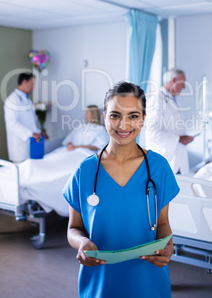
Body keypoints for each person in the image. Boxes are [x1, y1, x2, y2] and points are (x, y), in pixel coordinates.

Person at [63, 81, 179, 298]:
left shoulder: (158, 167)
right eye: (115, 115)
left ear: (143, 119)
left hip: (149, 282)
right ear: (105, 116)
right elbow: (73, 229)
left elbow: (162, 224)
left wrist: (169, 247)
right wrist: (82, 243)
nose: (124, 125)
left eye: (133, 116)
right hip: (100, 283)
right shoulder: (85, 170)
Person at [145, 68, 194, 174]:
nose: (184, 86)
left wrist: (182, 138)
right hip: (164, 158)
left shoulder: (173, 100)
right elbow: (152, 132)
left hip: (177, 159)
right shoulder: (157, 100)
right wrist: (179, 139)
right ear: (173, 80)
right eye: (183, 82)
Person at [4, 72, 48, 162]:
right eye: (32, 84)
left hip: (30, 146)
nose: (33, 87)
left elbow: (30, 122)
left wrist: (39, 132)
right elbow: (11, 123)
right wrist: (31, 134)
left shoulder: (27, 100)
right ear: (24, 82)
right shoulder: (12, 100)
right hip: (20, 148)